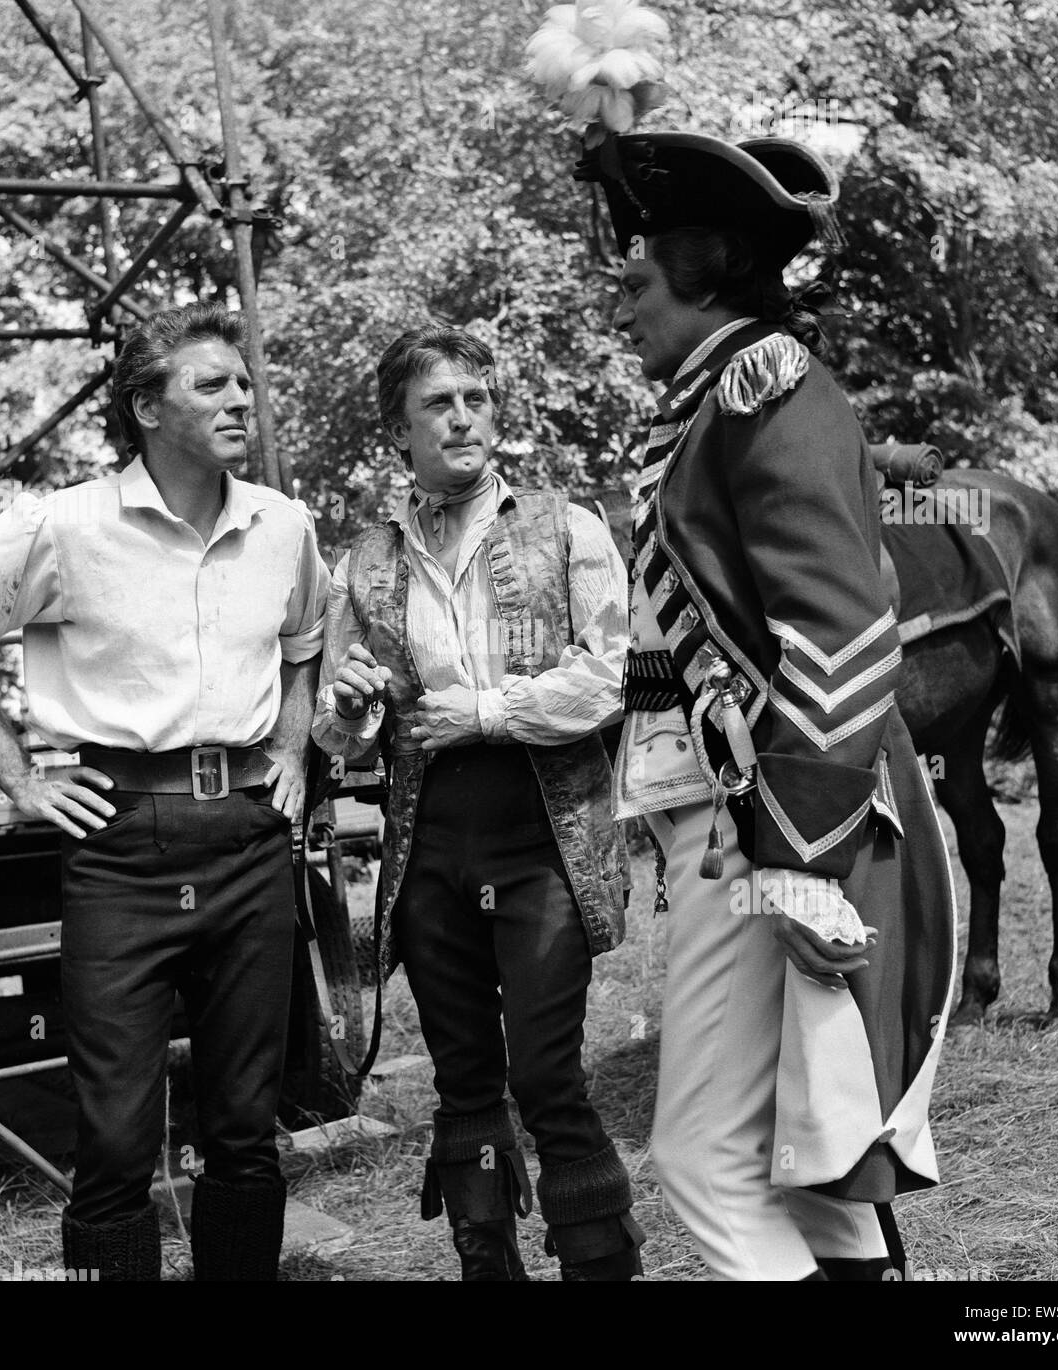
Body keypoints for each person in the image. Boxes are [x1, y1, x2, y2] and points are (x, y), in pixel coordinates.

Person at [575, 133, 957, 1280]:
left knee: (704, 1161)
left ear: (708, 266)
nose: (622, 304)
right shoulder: (705, 405)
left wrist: (794, 856)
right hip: (747, 807)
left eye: (639, 281)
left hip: (776, 815)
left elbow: (837, 637)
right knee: (820, 1164)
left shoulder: (762, 389)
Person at [0, 302, 329, 1281]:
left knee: (245, 1126)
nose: (241, 395)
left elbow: (305, 644)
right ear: (146, 404)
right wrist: (19, 777)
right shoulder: (61, 525)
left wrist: (294, 753)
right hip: (119, 846)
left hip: (250, 837)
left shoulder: (283, 524)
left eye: (241, 378)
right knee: (115, 1140)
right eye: (210, 382)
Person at [312, 324, 644, 1281]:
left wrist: (485, 715)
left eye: (477, 399)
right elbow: (341, 734)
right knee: (463, 1085)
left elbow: (609, 680)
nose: (463, 417)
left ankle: (599, 1271)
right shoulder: (366, 558)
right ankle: (487, 1270)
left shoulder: (565, 526)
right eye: (438, 404)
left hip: (540, 843)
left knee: (546, 1075)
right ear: (398, 432)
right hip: (429, 853)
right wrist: (354, 705)